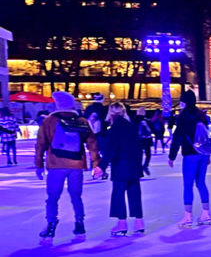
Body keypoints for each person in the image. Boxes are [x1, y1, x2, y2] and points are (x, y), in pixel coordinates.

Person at [35, 91, 101, 242]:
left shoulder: (49, 121)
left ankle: (51, 226)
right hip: (76, 164)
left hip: (56, 164)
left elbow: (40, 144)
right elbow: (92, 143)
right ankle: (80, 223)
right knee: (76, 196)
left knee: (52, 197)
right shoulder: (82, 121)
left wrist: (39, 165)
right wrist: (95, 163)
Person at [100, 103, 145, 236]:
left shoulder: (114, 128)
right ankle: (139, 222)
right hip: (134, 165)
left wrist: (101, 166)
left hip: (121, 166)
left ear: (111, 113)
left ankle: (121, 224)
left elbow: (112, 151)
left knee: (118, 195)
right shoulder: (131, 126)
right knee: (134, 193)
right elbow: (139, 147)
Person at [168, 90, 211, 228]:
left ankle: (188, 216)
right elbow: (206, 136)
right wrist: (208, 154)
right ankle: (206, 213)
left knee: (188, 185)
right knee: (201, 183)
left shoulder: (183, 116)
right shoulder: (201, 115)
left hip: (190, 154)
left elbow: (177, 137)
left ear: (184, 101)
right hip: (203, 154)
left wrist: (172, 156)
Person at [135, 108, 153, 176]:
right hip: (146, 140)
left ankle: (139, 171)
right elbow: (150, 130)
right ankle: (145, 165)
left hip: (138, 140)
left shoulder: (135, 121)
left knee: (139, 155)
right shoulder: (146, 121)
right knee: (148, 154)